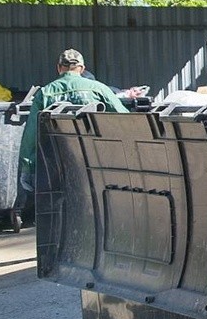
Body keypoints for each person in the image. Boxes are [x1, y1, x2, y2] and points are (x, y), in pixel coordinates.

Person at [17, 49, 129, 213]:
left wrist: (27, 168)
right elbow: (125, 118)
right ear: (82, 69)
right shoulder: (99, 89)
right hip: (94, 159)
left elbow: (31, 134)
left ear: (59, 68)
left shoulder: (45, 92)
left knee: (61, 208)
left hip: (56, 161)